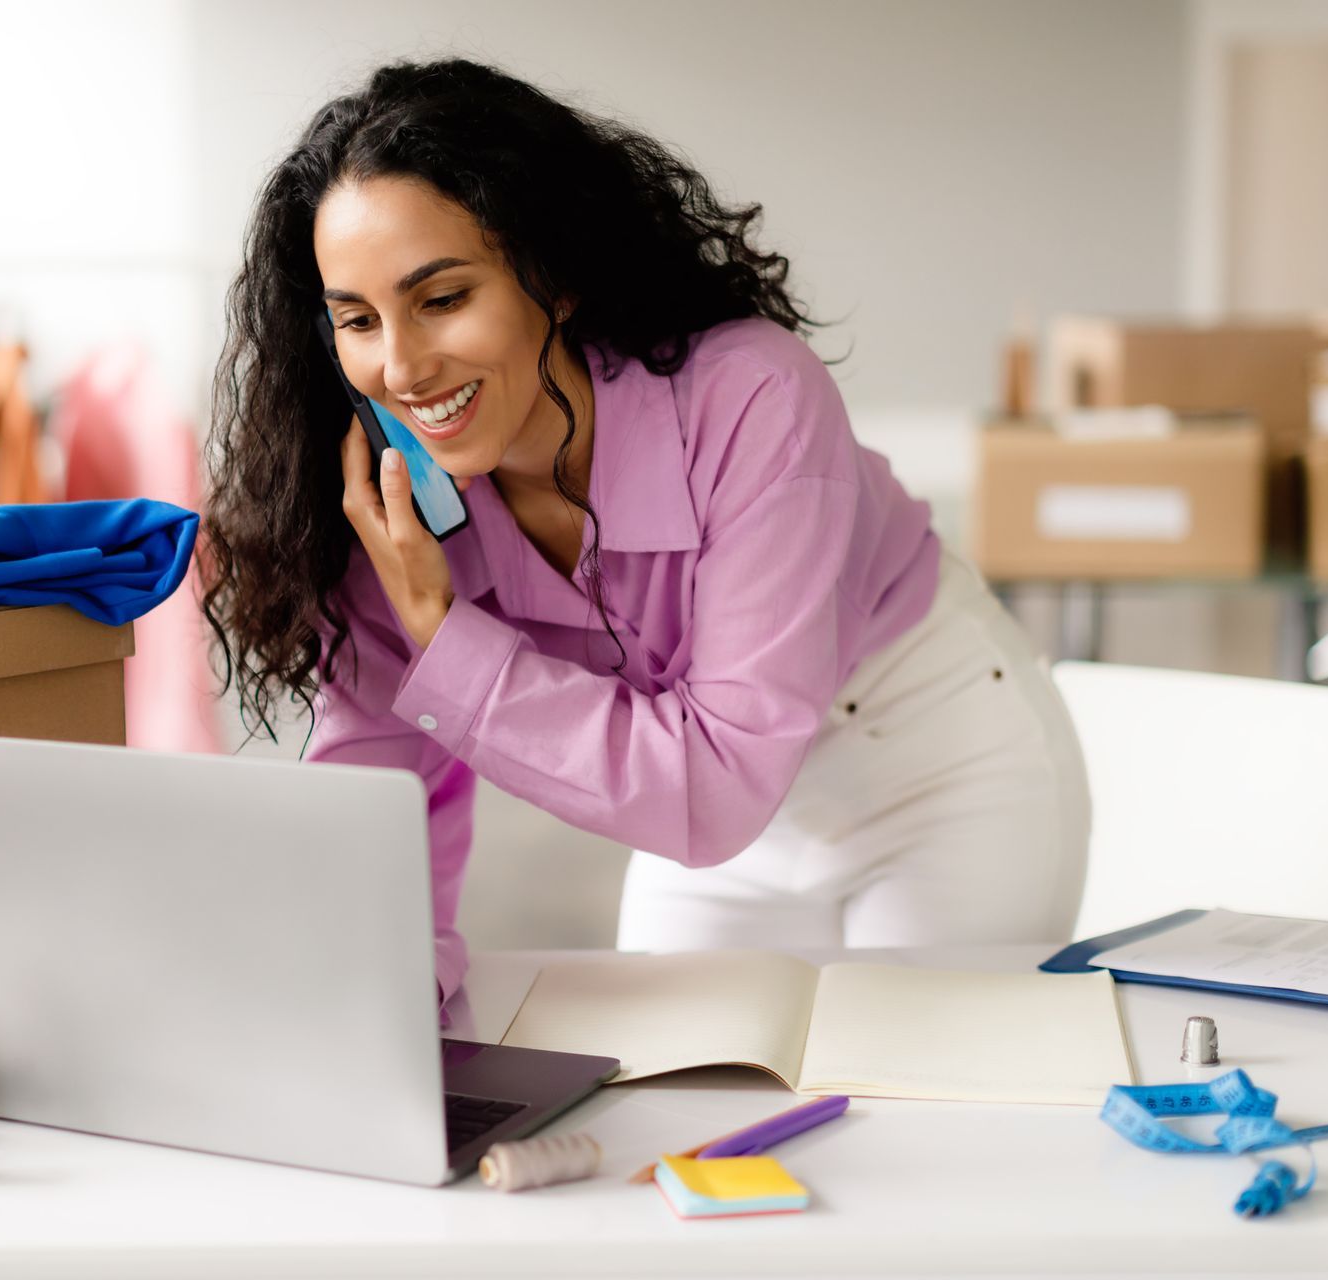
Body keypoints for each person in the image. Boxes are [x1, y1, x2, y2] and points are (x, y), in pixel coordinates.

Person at [201, 58, 1088, 1006]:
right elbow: (376, 815)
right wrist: (374, 1006)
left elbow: (715, 784)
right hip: (723, 827)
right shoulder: (392, 505)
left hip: (933, 767)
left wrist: (446, 636)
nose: (402, 366)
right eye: (358, 320)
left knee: (916, 1106)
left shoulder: (755, 396)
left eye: (443, 298)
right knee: (682, 1112)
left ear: (557, 275)